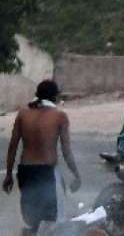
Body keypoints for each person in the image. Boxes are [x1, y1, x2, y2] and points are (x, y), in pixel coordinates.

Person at [3, 81, 82, 236]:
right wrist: (76, 175)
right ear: (54, 96)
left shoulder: (23, 114)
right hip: (47, 173)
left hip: (26, 172)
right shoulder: (60, 116)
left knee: (32, 219)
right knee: (53, 221)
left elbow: (12, 147)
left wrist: (8, 175)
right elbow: (66, 151)